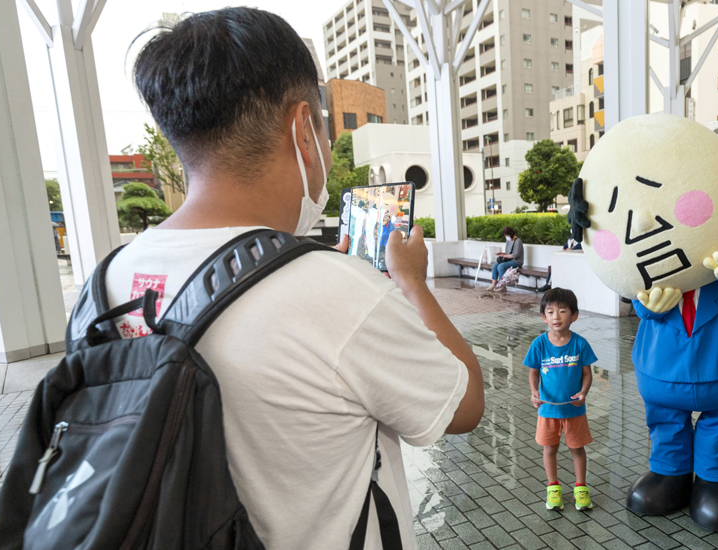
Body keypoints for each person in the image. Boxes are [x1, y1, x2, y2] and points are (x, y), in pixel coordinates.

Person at [114, 9, 484, 548]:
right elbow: (465, 404)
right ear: (302, 129)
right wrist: (411, 283)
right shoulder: (339, 294)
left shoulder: (108, 279)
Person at [524, 289, 598, 511]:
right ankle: (553, 488)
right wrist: (534, 392)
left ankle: (581, 488)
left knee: (578, 449)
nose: (556, 316)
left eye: (563, 311)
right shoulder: (539, 344)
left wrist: (584, 392)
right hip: (548, 410)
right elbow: (533, 372)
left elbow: (587, 373)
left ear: (574, 315)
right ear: (543, 317)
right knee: (549, 449)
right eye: (550, 312)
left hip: (575, 410)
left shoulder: (580, 344)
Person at [487, 226, 524, 291]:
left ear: (511, 234)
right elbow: (508, 253)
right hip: (509, 260)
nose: (506, 237)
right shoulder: (508, 241)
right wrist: (501, 253)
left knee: (501, 266)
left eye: (507, 235)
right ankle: (494, 284)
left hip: (516, 261)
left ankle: (502, 286)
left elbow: (515, 255)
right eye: (505, 235)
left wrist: (504, 256)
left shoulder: (518, 241)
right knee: (495, 265)